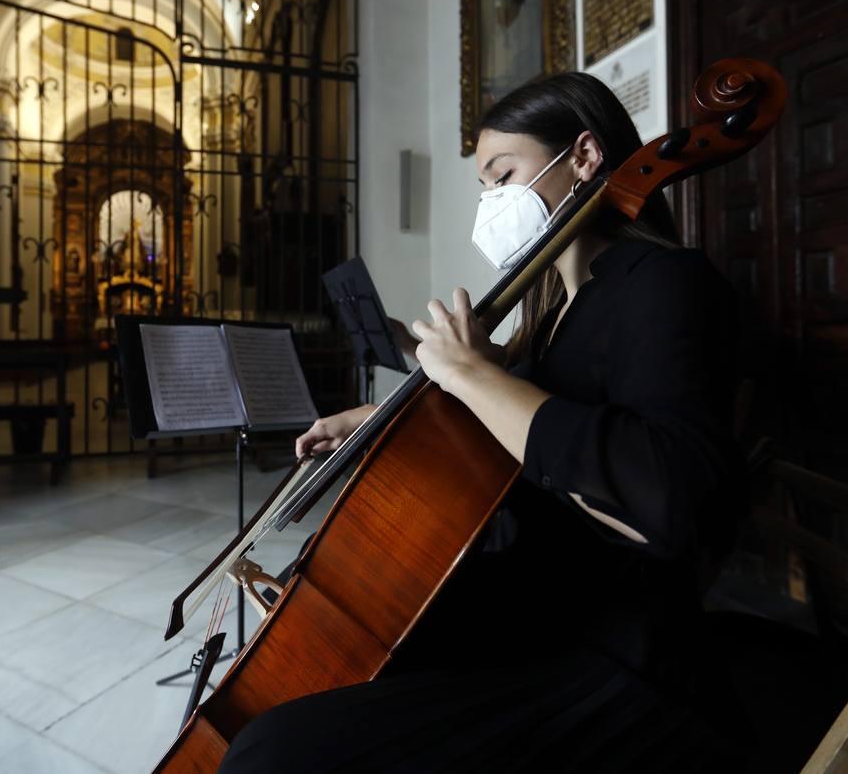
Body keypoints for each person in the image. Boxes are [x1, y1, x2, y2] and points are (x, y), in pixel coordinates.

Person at [220, 72, 750, 772]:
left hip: (607, 643)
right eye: (484, 187)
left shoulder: (662, 282)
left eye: (504, 175)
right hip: (527, 599)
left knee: (271, 755)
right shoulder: (558, 306)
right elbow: (518, 430)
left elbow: (674, 497)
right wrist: (385, 418)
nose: (492, 203)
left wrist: (474, 374)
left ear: (585, 157)